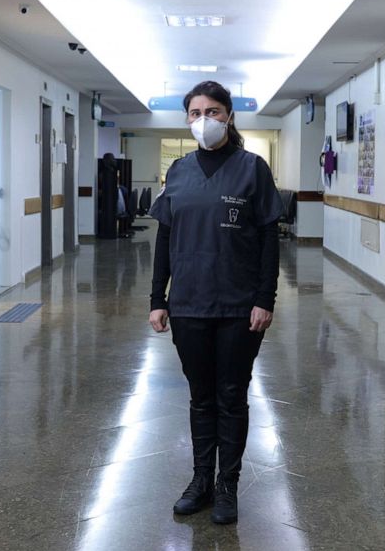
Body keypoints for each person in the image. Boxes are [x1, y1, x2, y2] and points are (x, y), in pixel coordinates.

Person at [148, 81, 283, 524]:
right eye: (195, 112)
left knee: (231, 395)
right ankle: (201, 479)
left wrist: (266, 298)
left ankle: (228, 485)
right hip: (188, 304)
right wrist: (157, 298)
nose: (204, 119)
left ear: (229, 115)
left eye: (213, 111)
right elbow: (165, 236)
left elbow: (268, 237)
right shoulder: (180, 171)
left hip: (238, 306)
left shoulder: (252, 168)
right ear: (187, 118)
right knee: (200, 397)